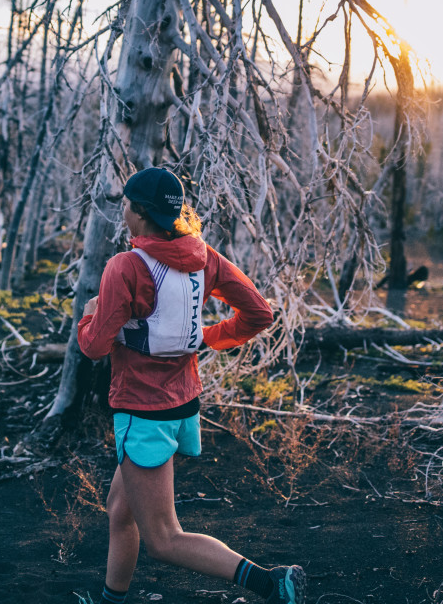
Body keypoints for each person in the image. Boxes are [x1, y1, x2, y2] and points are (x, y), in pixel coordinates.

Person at [77, 167, 306, 604]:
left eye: (125, 205)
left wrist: (90, 312)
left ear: (139, 213)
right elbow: (259, 313)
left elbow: (94, 346)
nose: (122, 212)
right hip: (182, 406)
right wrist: (206, 337)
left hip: (143, 413)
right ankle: (112, 598)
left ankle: (271, 583)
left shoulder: (124, 267)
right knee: (120, 510)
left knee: (164, 538)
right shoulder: (205, 257)